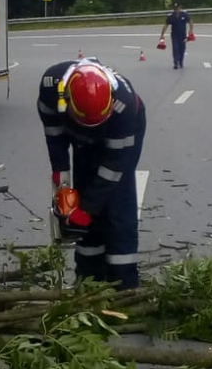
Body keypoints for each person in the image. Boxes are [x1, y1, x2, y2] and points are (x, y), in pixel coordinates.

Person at [37, 57, 146, 289]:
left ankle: (123, 283)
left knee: (117, 201)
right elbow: (55, 141)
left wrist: (86, 209)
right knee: (84, 189)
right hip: (80, 133)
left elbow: (114, 168)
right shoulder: (50, 88)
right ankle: (89, 279)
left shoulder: (123, 106)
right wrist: (63, 186)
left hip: (119, 134)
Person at [158, 2, 194, 69]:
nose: (176, 10)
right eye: (175, 9)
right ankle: (176, 63)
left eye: (178, 8)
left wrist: (191, 30)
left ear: (180, 8)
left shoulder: (184, 15)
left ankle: (181, 61)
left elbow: (190, 22)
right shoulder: (171, 16)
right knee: (175, 48)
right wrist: (162, 34)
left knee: (182, 49)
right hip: (174, 35)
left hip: (183, 35)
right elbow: (166, 25)